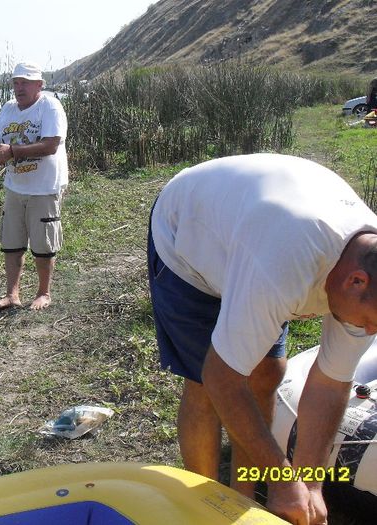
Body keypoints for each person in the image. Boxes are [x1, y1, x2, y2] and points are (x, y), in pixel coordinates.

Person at [147, 153, 377, 525]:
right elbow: (223, 378)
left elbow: (332, 386)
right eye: (371, 323)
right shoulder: (285, 262)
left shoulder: (366, 270)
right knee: (207, 384)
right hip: (188, 235)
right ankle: (207, 511)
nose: (368, 333)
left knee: (268, 372)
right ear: (356, 282)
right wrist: (283, 479)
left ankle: (244, 499)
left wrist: (310, 483)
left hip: (256, 233)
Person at [0, 62, 68, 311]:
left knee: (43, 244)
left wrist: (12, 151)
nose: (19, 88)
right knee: (12, 240)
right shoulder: (9, 108)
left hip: (44, 187)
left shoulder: (50, 106)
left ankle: (44, 293)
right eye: (16, 83)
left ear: (39, 85)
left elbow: (51, 144)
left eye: (25, 83)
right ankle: (12, 294)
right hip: (15, 186)